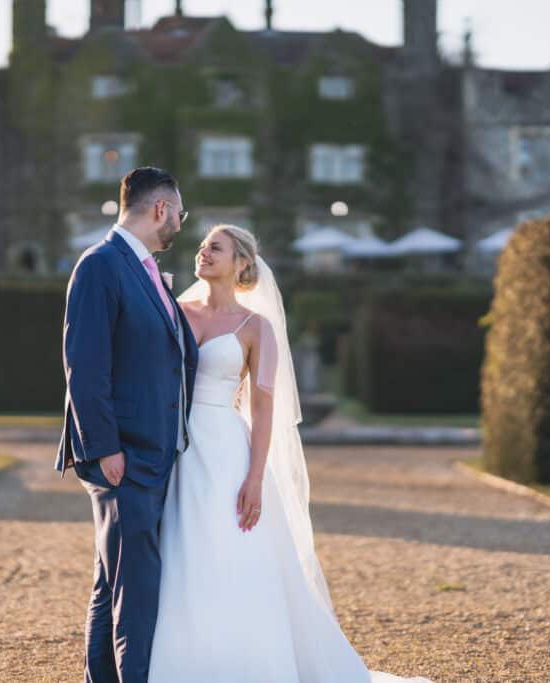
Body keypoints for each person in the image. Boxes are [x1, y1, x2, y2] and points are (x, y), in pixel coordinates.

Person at [147, 224, 434, 683]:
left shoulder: (255, 327)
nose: (203, 253)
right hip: (173, 446)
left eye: (215, 247)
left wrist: (255, 477)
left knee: (230, 549)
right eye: (201, 246)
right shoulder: (174, 312)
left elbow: (263, 406)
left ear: (241, 262)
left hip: (224, 448)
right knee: (180, 551)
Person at [56, 167, 198, 683]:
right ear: (160, 208)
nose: (182, 223)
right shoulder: (100, 264)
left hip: (151, 453)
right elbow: (84, 364)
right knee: (136, 593)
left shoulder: (143, 269)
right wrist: (105, 447)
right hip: (125, 456)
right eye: (180, 212)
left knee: (111, 583)